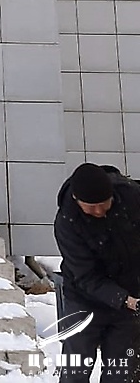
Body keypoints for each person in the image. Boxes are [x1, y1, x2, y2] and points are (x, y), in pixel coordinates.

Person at [54, 163, 140, 382]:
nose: (100, 211)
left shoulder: (132, 197)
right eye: (92, 207)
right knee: (76, 368)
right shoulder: (67, 223)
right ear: (77, 200)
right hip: (84, 299)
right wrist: (124, 299)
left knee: (121, 372)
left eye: (104, 203)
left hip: (130, 295)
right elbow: (86, 276)